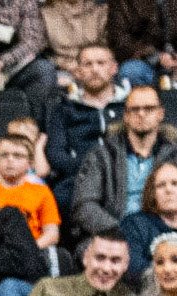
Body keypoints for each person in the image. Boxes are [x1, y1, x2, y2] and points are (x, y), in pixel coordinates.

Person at [70, 88, 177, 241]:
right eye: (134, 109)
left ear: (160, 114)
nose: (141, 114)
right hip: (112, 236)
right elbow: (84, 205)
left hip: (165, 236)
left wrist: (156, 233)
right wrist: (123, 232)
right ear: (126, 116)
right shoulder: (102, 155)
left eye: (148, 108)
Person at [46, 44, 129, 188]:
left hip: (126, 177)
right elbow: (56, 155)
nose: (95, 70)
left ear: (114, 68)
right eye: (88, 64)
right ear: (78, 72)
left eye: (101, 63)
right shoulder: (63, 108)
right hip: (78, 180)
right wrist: (91, 170)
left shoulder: (130, 105)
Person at [123, 165, 177, 280]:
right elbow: (134, 269)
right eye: (160, 185)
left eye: (175, 183)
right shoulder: (135, 225)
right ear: (153, 194)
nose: (168, 190)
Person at [0, 134, 62, 250]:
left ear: (30, 163)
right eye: (4, 155)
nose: (10, 160)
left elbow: (52, 234)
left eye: (17, 155)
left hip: (34, 251)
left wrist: (28, 251)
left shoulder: (41, 191)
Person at [109, 0, 177, 90]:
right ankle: (149, 104)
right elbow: (119, 39)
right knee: (131, 71)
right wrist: (156, 57)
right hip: (147, 61)